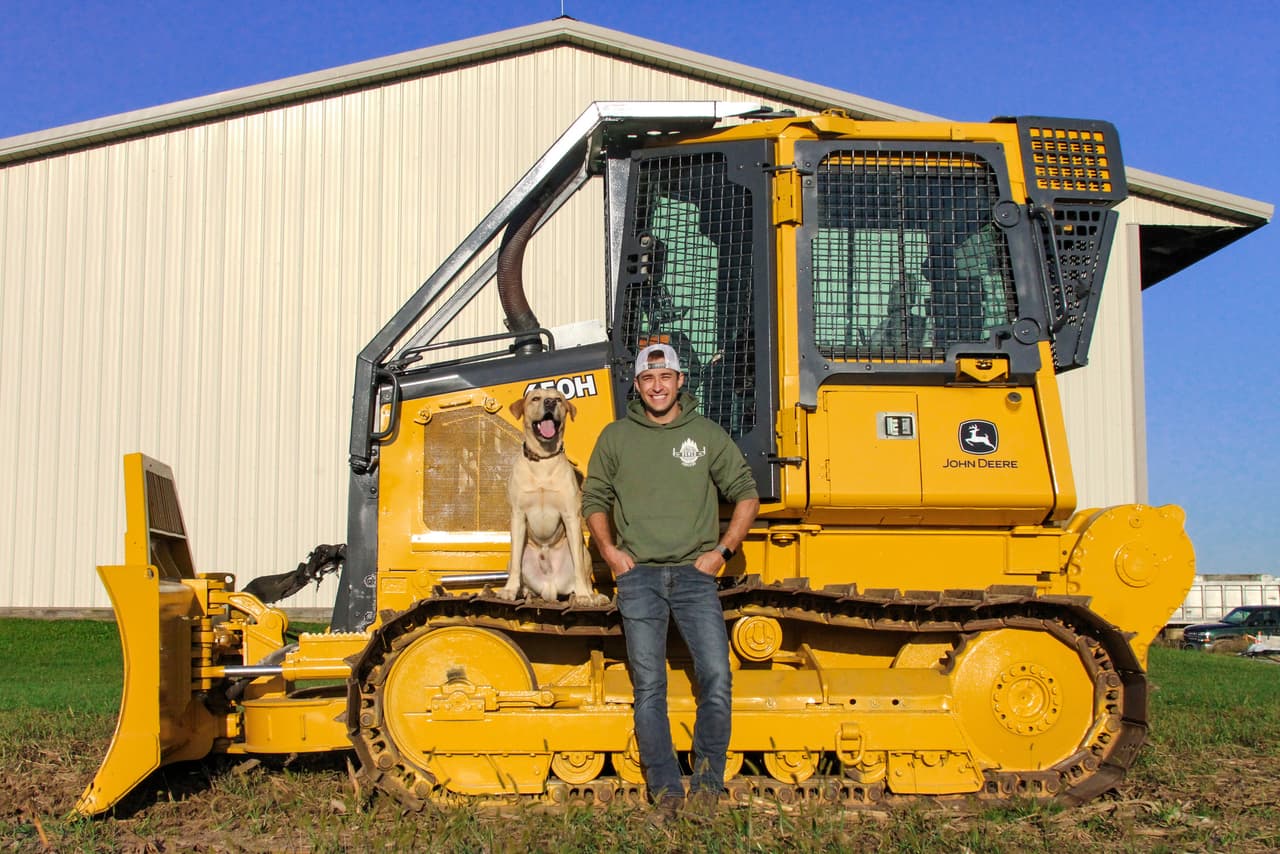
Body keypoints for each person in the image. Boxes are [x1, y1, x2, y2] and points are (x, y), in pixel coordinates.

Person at [582, 343, 759, 820]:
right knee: (650, 687)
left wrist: (723, 551)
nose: (657, 386)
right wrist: (610, 553)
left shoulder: (705, 435)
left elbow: (746, 493)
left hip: (693, 577)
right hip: (638, 578)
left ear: (681, 381)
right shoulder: (617, 437)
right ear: (637, 386)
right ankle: (665, 791)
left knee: (717, 677)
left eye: (666, 377)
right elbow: (593, 497)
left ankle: (706, 786)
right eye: (647, 379)